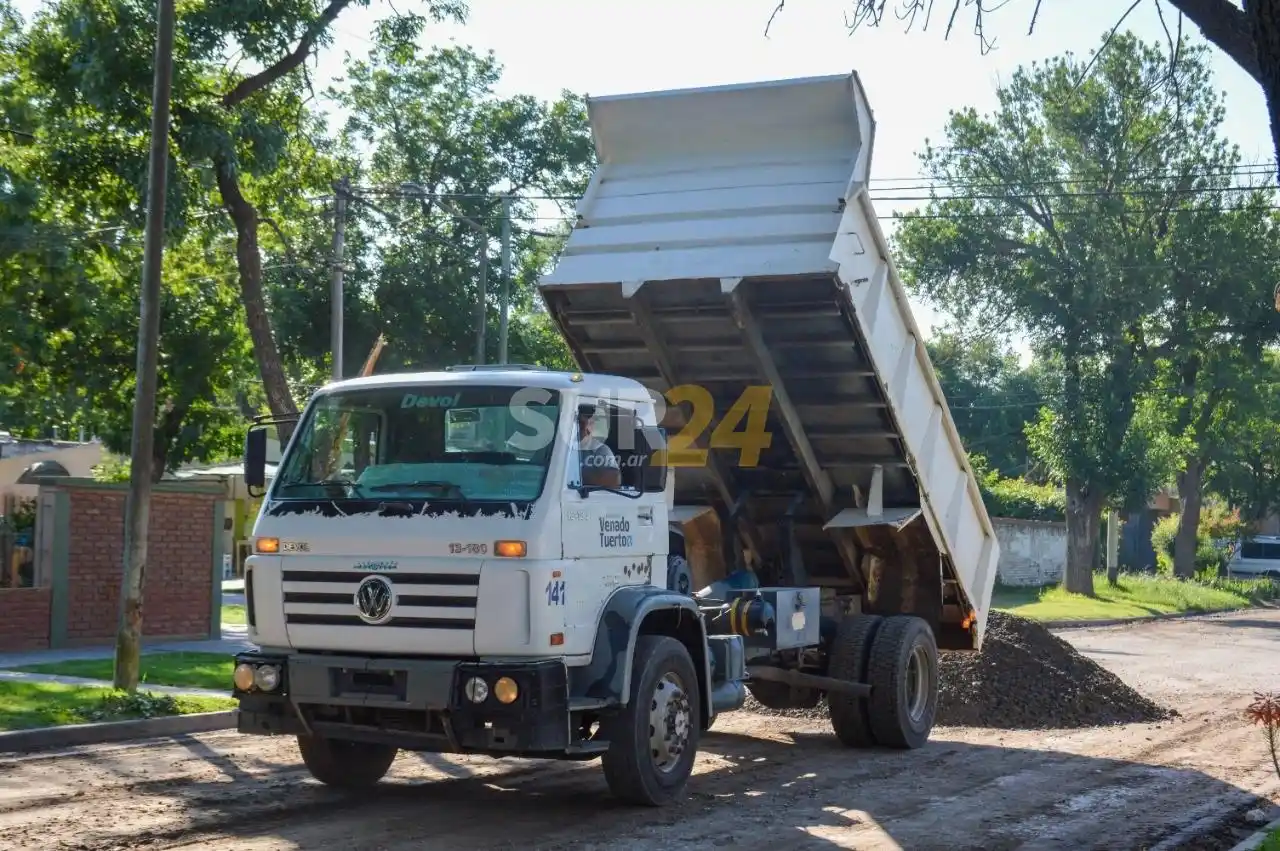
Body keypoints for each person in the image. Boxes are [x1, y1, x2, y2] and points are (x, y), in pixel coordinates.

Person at [578, 407, 622, 488]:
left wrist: (576, 473)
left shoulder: (600, 449)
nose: (582, 428)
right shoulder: (561, 448)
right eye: (578, 424)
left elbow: (614, 480)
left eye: (582, 424)